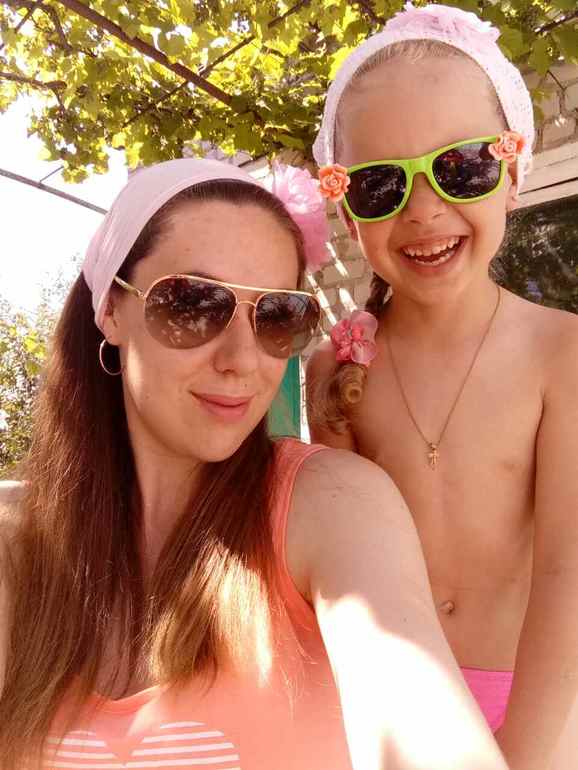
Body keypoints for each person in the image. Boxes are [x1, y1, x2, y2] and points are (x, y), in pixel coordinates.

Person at [0, 158, 508, 770]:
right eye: (193, 303)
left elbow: (422, 724)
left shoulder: (333, 506)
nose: (243, 358)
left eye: (278, 315)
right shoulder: (16, 545)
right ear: (110, 309)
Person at [307, 4, 578, 770]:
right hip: (392, 715)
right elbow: (344, 582)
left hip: (539, 707)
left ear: (513, 172)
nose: (424, 210)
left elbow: (568, 573)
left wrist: (525, 754)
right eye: (379, 185)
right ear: (347, 211)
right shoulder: (337, 369)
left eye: (461, 168)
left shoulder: (561, 353)